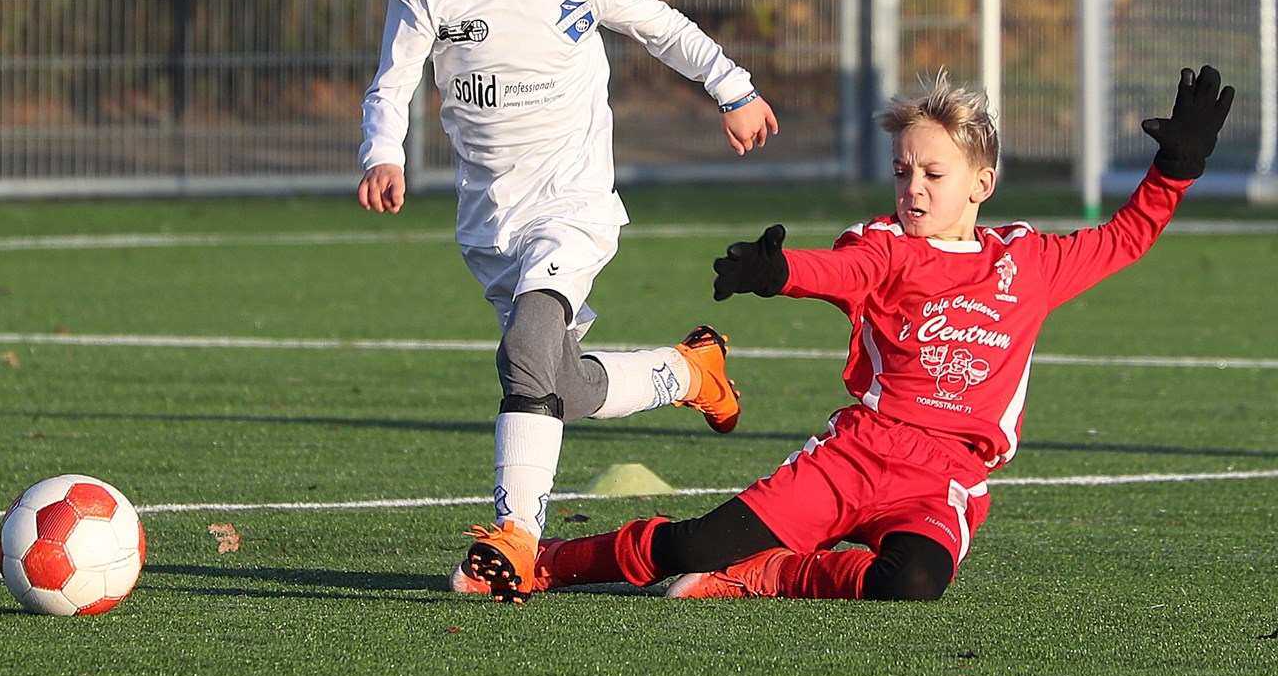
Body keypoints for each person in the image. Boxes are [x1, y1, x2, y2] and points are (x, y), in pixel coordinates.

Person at [512, 64, 1233, 602]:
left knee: (912, 581)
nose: (913, 187)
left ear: (981, 184)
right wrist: (777, 271)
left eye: (933, 173)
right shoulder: (886, 247)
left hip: (943, 476)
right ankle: (541, 563)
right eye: (902, 171)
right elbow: (840, 271)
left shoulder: (1029, 263)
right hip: (859, 453)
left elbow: (1125, 238)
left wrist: (1175, 169)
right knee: (697, 544)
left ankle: (770, 575)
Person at [356, 0, 779, 603]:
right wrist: (383, 153)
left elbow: (665, 29)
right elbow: (391, 86)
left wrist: (733, 89)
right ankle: (689, 372)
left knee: (525, 350)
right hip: (491, 224)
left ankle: (516, 538)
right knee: (559, 382)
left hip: (573, 206)